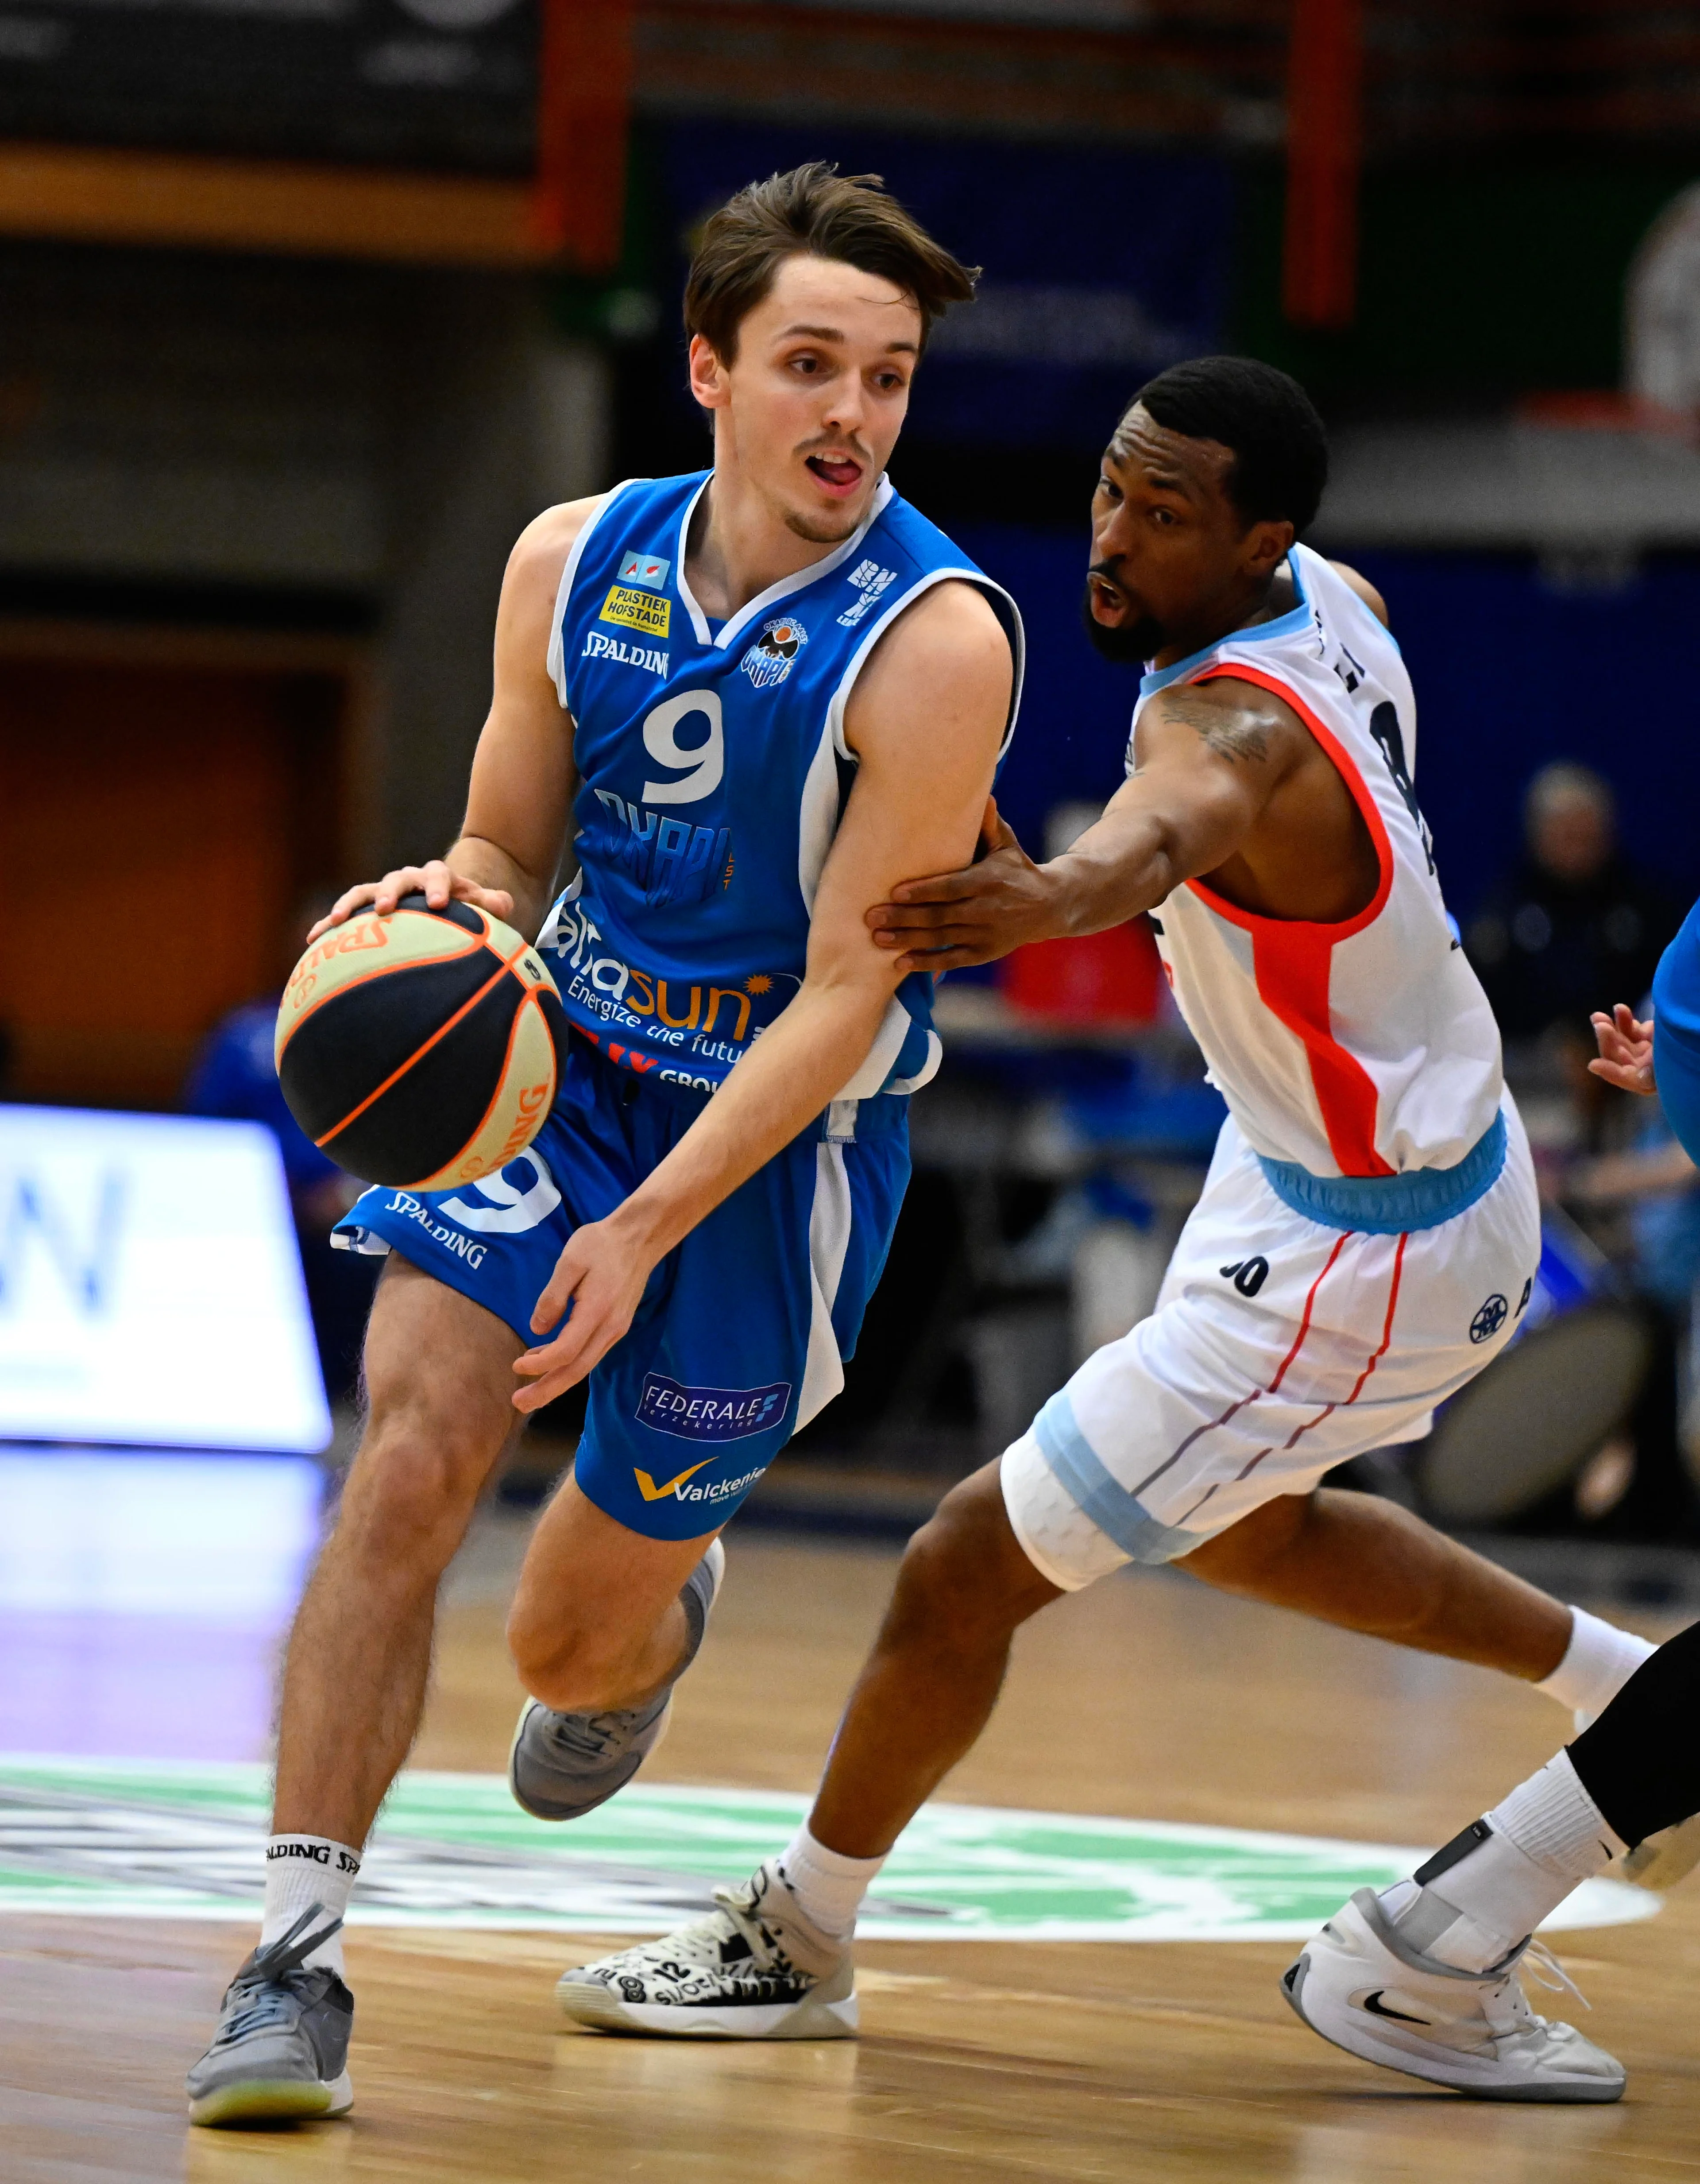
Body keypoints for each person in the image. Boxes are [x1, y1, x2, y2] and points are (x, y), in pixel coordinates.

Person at [555, 356, 1658, 2042]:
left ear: (1257, 537)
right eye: (1108, 491)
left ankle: (800, 1934)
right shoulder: (1342, 600)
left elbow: (1158, 837)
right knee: (1239, 1521)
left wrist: (1041, 896)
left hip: (1367, 1243)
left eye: (1164, 516)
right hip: (1352, 1164)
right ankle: (1625, 1686)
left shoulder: (1224, 726)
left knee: (959, 1565)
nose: (1111, 539)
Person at [184, 162, 1025, 2128]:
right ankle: (289, 1962)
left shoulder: (935, 639)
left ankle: (659, 1605)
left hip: (768, 1152)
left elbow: (842, 994)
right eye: (811, 364)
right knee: (401, 1466)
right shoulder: (570, 558)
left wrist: (645, 1228)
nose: (852, 415)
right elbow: (505, 836)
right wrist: (443, 904)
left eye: (889, 378)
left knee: (569, 1635)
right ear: (713, 373)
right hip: (547, 1076)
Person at [1467, 762, 1676, 1059]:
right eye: (1565, 835)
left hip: (1634, 1071)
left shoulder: (1648, 912)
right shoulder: (1501, 917)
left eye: (1585, 834)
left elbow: (1664, 1001)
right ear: (1538, 836)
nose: (1576, 849)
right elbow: (1483, 1010)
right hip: (1530, 1078)